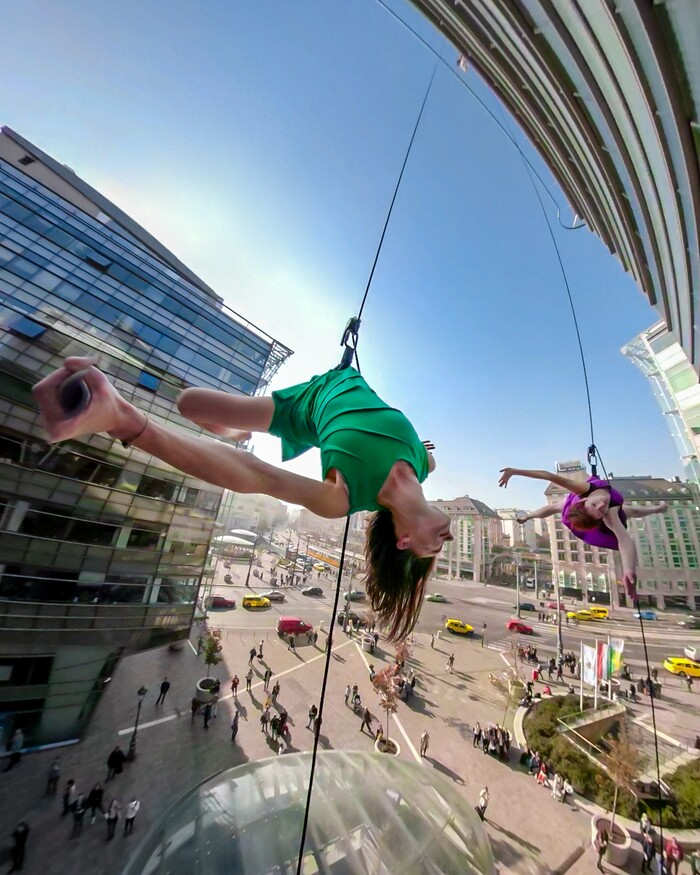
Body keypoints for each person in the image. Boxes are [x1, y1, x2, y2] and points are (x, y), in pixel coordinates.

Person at [33, 359, 453, 641]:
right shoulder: (421, 461)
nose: (443, 544)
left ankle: (124, 415)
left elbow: (258, 476)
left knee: (189, 404)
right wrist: (425, 450)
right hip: (338, 382)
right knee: (191, 404)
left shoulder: (343, 499)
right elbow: (430, 457)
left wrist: (131, 425)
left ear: (402, 542)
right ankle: (233, 431)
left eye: (430, 552)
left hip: (304, 409)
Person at [499, 466, 667, 596]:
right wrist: (629, 569)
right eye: (599, 510)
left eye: (595, 505)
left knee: (629, 511)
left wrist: (514, 471)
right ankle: (529, 516)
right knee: (625, 513)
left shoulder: (583, 489)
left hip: (584, 509)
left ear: (585, 499)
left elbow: (548, 475)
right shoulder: (608, 514)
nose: (602, 504)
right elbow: (625, 541)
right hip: (598, 519)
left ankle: (657, 509)